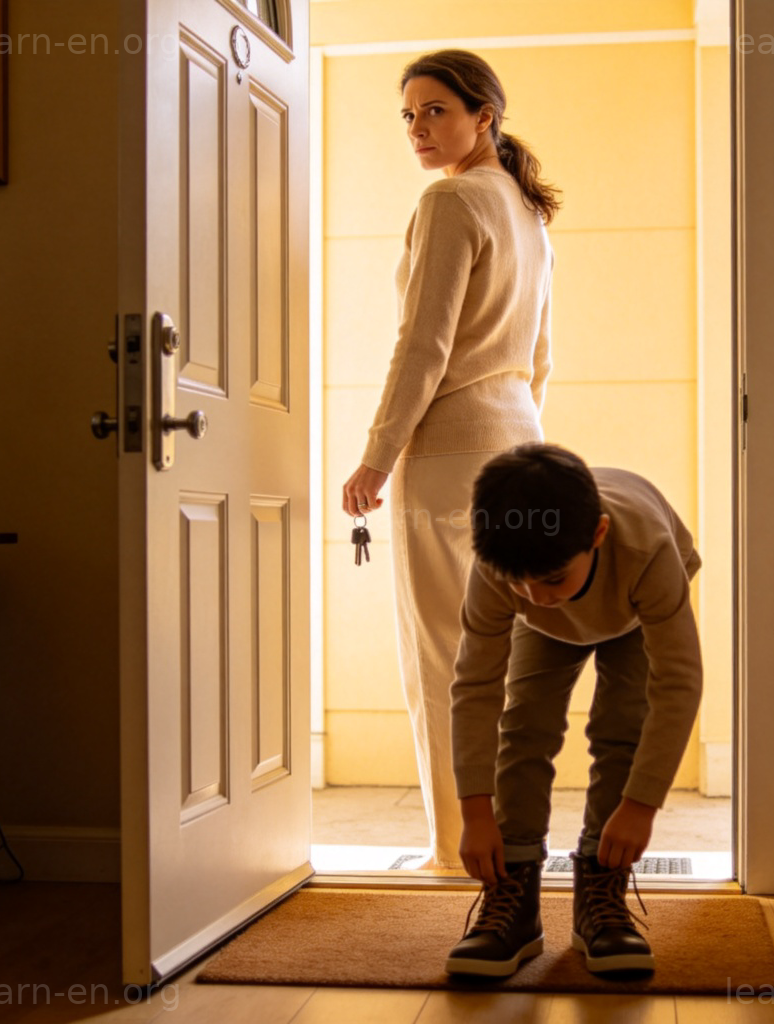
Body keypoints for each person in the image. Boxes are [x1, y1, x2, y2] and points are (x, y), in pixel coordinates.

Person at [341, 51, 560, 870]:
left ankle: (455, 848)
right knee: (505, 650)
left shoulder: (451, 200)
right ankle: (515, 837)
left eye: (435, 111)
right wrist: (529, 446)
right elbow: (541, 355)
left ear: (484, 116)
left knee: (445, 656)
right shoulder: (528, 214)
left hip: (447, 452)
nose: (418, 129)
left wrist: (376, 456)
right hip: (518, 440)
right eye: (408, 115)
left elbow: (423, 345)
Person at [443, 443, 703, 978]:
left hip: (633, 610)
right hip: (549, 630)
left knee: (620, 727)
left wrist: (640, 806)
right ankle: (513, 899)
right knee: (526, 724)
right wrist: (475, 813)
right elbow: (475, 687)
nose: (535, 596)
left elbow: (678, 682)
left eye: (552, 579)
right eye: (520, 583)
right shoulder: (505, 570)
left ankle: (600, 897)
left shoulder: (648, 551)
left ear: (599, 535)